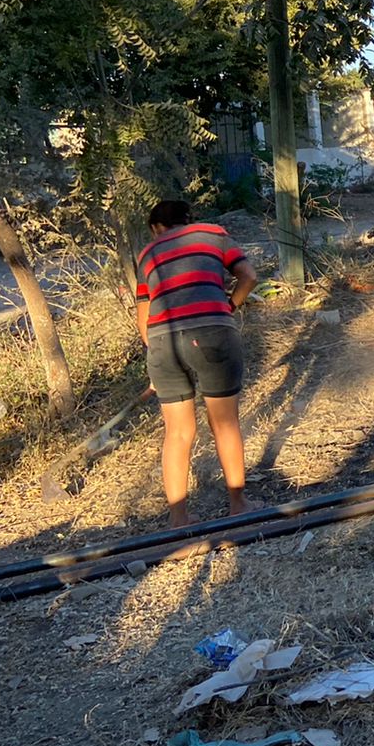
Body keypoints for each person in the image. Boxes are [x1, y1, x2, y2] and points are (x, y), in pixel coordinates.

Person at [134, 200, 259, 527]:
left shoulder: (147, 254)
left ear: (156, 228)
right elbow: (248, 276)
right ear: (188, 220)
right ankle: (238, 504)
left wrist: (155, 362)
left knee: (177, 433)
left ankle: (179, 519)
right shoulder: (214, 234)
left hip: (161, 342)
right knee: (224, 423)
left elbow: (144, 318)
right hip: (212, 332)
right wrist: (229, 306)